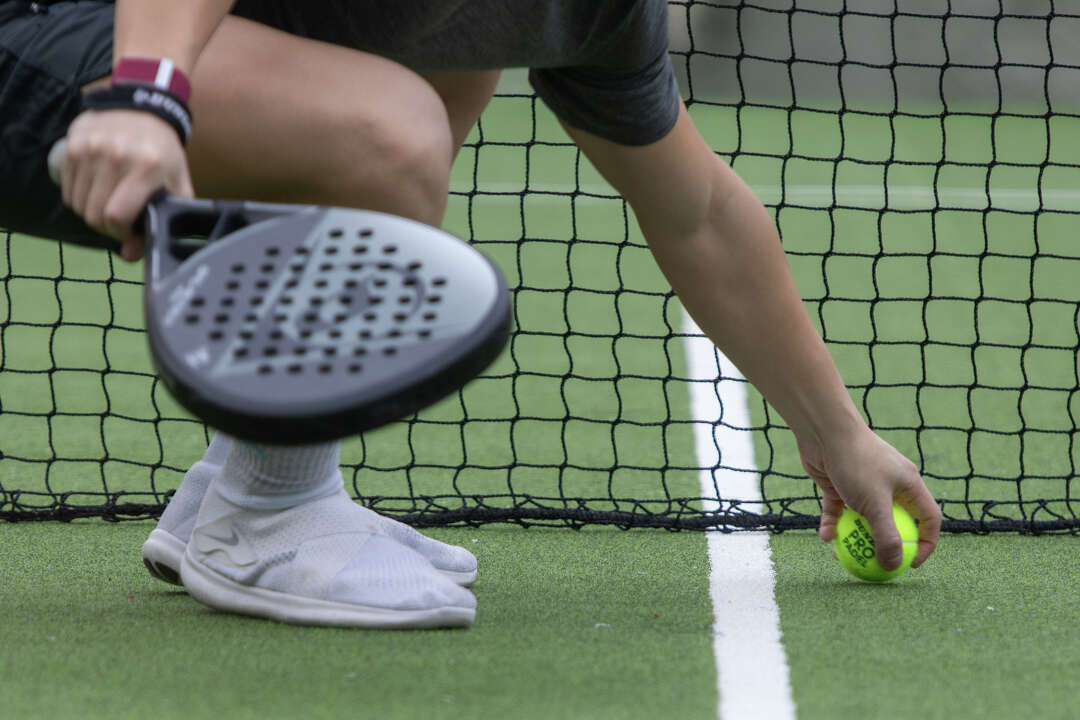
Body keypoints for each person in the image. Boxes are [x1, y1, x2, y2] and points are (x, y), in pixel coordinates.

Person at [1, 0, 942, 628]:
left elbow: (696, 213)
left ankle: (244, 473)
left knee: (458, 62)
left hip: (144, 67)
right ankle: (265, 516)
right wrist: (149, 92)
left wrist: (840, 435)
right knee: (390, 131)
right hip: (53, 40)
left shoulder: (595, 11)